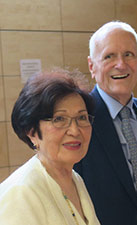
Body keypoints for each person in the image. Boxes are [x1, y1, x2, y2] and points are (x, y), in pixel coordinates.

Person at [74, 21, 137, 225]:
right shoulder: (80, 120)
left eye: (128, 55)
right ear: (92, 66)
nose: (121, 64)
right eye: (109, 56)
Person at [0, 68, 100, 225]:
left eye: (81, 117)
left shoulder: (75, 179)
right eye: (59, 119)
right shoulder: (20, 192)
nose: (75, 131)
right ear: (31, 131)